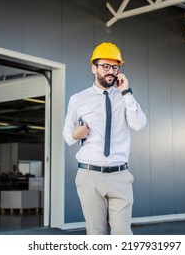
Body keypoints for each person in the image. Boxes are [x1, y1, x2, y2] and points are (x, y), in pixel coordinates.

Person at [62, 42, 147, 235]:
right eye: (105, 66)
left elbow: (139, 124)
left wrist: (126, 92)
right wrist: (77, 134)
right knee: (96, 235)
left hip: (120, 175)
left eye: (115, 67)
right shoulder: (78, 99)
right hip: (89, 176)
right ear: (94, 68)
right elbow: (67, 134)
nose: (111, 71)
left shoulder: (125, 96)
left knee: (122, 236)